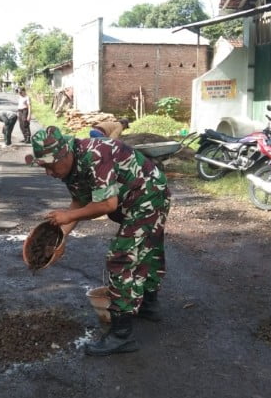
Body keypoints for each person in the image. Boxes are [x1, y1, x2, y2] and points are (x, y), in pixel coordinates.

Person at [25, 126, 171, 356]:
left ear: (65, 154)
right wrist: (61, 238)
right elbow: (80, 202)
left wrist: (68, 217)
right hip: (132, 199)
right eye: (44, 167)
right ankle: (149, 305)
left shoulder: (95, 155)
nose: (49, 172)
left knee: (122, 258)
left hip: (148, 195)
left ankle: (121, 336)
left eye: (51, 166)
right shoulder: (69, 168)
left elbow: (106, 205)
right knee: (146, 248)